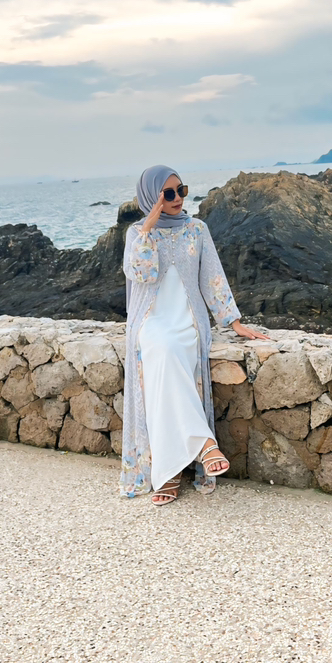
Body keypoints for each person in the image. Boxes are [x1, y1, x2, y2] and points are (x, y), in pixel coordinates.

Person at [121, 164, 271, 505]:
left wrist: (233, 321)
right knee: (163, 350)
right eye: (168, 193)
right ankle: (204, 444)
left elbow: (212, 278)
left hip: (188, 321)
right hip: (150, 322)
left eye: (182, 190)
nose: (177, 198)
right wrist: (149, 226)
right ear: (151, 197)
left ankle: (169, 473)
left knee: (169, 357)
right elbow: (140, 273)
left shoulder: (197, 229)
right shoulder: (137, 234)